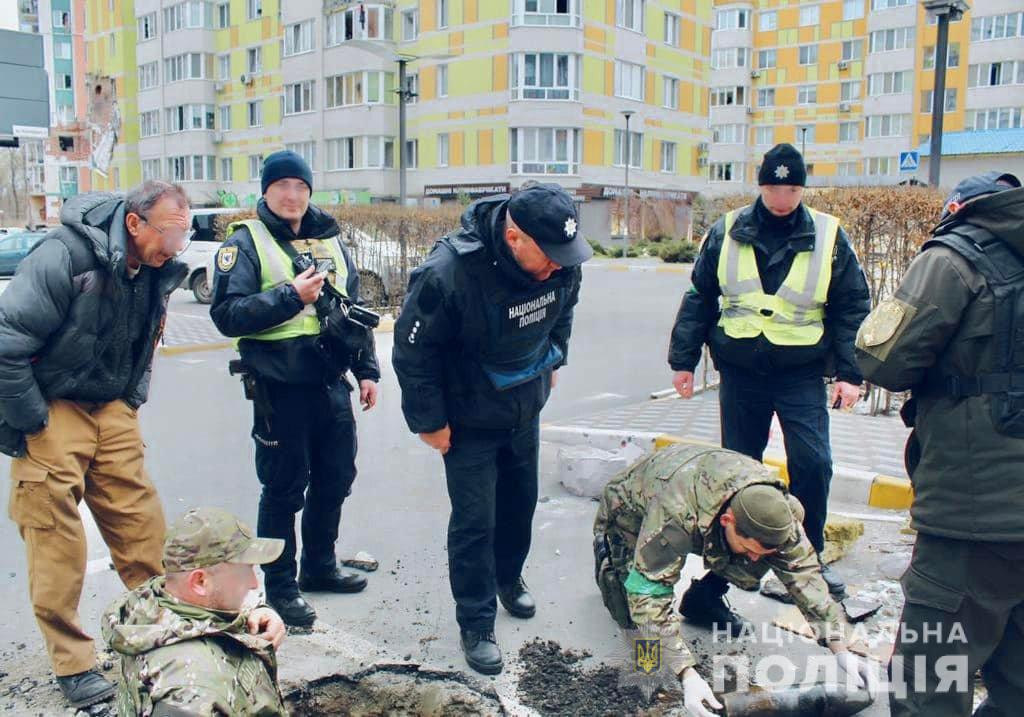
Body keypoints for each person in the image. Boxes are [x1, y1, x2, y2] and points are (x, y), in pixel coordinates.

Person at [0, 182, 190, 708]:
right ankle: (73, 663)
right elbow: (5, 343)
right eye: (170, 231)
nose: (177, 244)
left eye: (183, 231)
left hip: (110, 403)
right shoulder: (66, 254)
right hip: (53, 400)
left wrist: (130, 399)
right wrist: (34, 423)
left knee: (142, 523)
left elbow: (144, 338)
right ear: (134, 223)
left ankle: (160, 634)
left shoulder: (156, 268)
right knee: (54, 532)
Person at [393, 182, 590, 675]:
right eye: (548, 256)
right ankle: (476, 621)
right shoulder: (448, 273)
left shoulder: (561, 262)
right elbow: (413, 353)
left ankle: (510, 578)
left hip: (525, 405)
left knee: (521, 502)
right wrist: (429, 422)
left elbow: (563, 311)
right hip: (468, 419)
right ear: (515, 236)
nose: (557, 267)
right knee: (476, 521)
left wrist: (555, 358)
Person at [668, 143, 870, 600]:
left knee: (813, 464)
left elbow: (851, 305)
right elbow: (701, 295)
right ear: (761, 187)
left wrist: (850, 374)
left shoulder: (827, 234)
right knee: (738, 469)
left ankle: (807, 561)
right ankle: (727, 564)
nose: (783, 198)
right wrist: (683, 360)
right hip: (741, 371)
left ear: (803, 188)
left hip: (799, 371)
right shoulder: (727, 229)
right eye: (775, 188)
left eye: (793, 189)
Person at [855, 171, 1024, 716]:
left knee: (930, 686)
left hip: (973, 515)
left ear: (957, 209)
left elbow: (882, 358)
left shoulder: (954, 259)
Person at [210, 150, 380, 628]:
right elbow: (226, 315)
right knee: (283, 489)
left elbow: (355, 309)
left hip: (331, 382)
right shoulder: (245, 242)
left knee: (336, 478)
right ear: (265, 191)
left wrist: (368, 371)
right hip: (278, 388)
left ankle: (320, 567)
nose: (292, 195)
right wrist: (291, 296)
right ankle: (280, 587)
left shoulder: (329, 239)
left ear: (310, 191)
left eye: (300, 186)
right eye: (281, 185)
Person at [594, 443, 874, 717]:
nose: (755, 559)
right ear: (727, 522)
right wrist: (686, 674)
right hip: (632, 508)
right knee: (633, 612)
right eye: (750, 549)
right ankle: (608, 557)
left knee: (756, 558)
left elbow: (806, 578)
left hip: (707, 500)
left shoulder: (780, 518)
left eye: (763, 552)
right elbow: (649, 594)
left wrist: (840, 646)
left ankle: (701, 601)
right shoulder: (675, 516)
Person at [103, 506, 288, 716]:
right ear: (200, 581)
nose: (254, 584)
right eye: (244, 572)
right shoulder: (192, 693)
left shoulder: (154, 603)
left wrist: (254, 610)